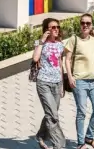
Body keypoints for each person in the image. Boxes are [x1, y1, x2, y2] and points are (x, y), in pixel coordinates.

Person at [65, 13, 94, 149]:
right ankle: (80, 143)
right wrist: (70, 77)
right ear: (80, 24)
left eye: (88, 23)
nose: (85, 25)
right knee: (82, 112)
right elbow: (67, 60)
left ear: (91, 25)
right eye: (83, 23)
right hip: (79, 81)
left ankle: (89, 137)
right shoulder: (73, 40)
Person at [33, 18, 66, 149]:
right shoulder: (39, 42)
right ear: (47, 29)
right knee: (53, 116)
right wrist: (42, 41)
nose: (56, 29)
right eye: (53, 27)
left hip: (57, 83)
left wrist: (62, 84)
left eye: (58, 27)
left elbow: (60, 64)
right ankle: (59, 145)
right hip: (44, 82)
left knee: (51, 113)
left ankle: (40, 135)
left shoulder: (60, 44)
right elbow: (35, 58)